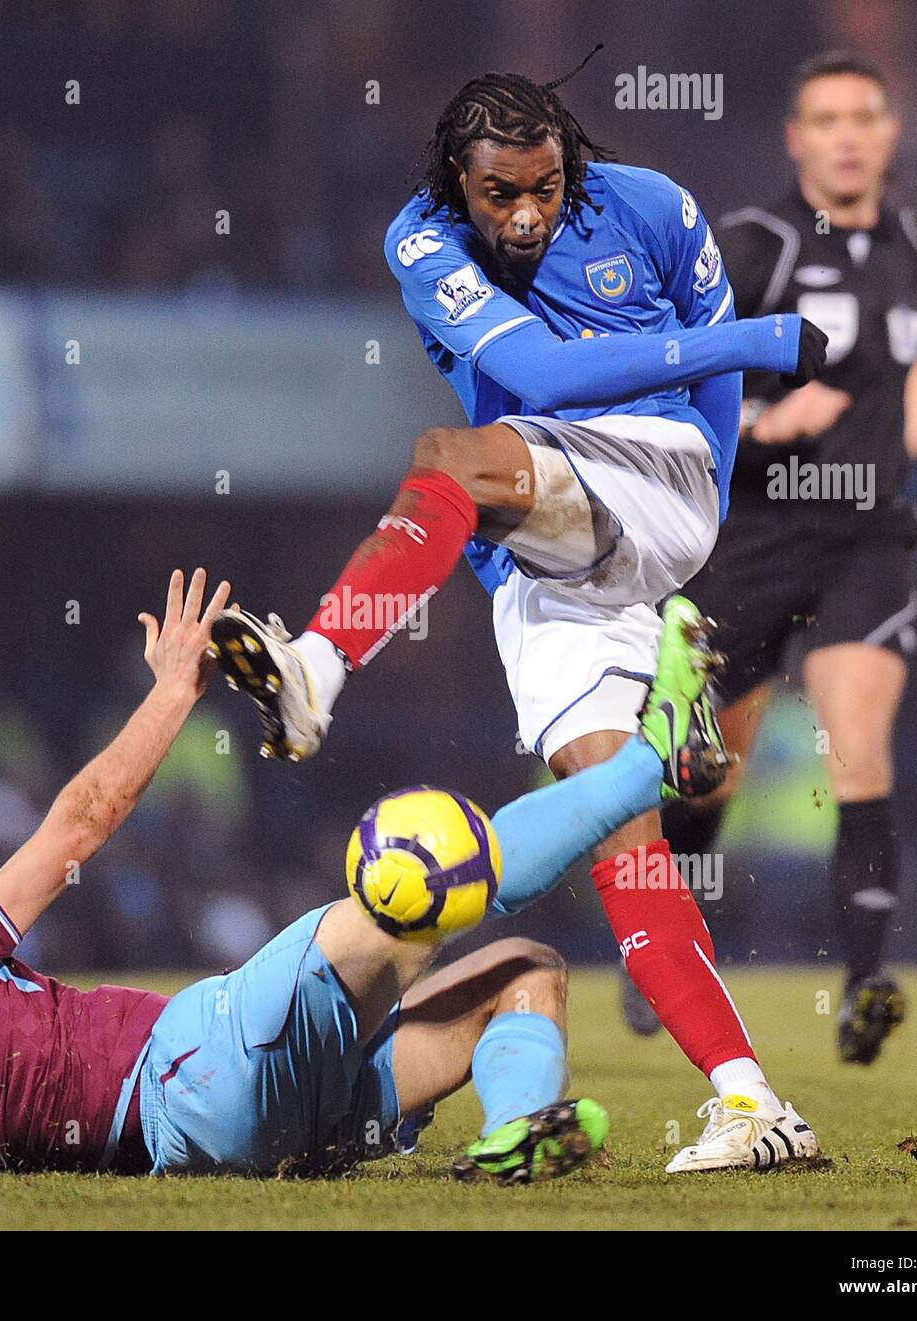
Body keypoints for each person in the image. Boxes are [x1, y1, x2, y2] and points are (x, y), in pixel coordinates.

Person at [210, 59, 827, 1156]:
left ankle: (315, 668)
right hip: (544, 548)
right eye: (503, 193)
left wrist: (706, 507)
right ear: (460, 179)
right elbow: (540, 376)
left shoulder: (650, 206)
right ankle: (751, 1103)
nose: (530, 212)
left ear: (569, 165)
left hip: (658, 473)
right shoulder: (419, 240)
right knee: (615, 834)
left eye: (546, 186)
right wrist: (761, 340)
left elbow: (711, 383)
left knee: (450, 455)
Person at [0, 573, 816, 1178]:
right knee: (426, 878)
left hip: (242, 1138)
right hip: (196, 1060)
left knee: (522, 969)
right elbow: (78, 825)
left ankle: (516, 1134)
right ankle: (657, 758)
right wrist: (175, 689)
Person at [660, 52, 917, 1064]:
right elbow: (674, 383)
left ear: (889, 134)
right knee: (706, 775)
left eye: (862, 116)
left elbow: (912, 359)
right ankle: (670, 952)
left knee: (859, 744)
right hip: (748, 538)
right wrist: (762, 419)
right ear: (794, 138)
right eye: (824, 118)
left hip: (865, 537)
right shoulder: (749, 249)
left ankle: (866, 980)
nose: (845, 134)